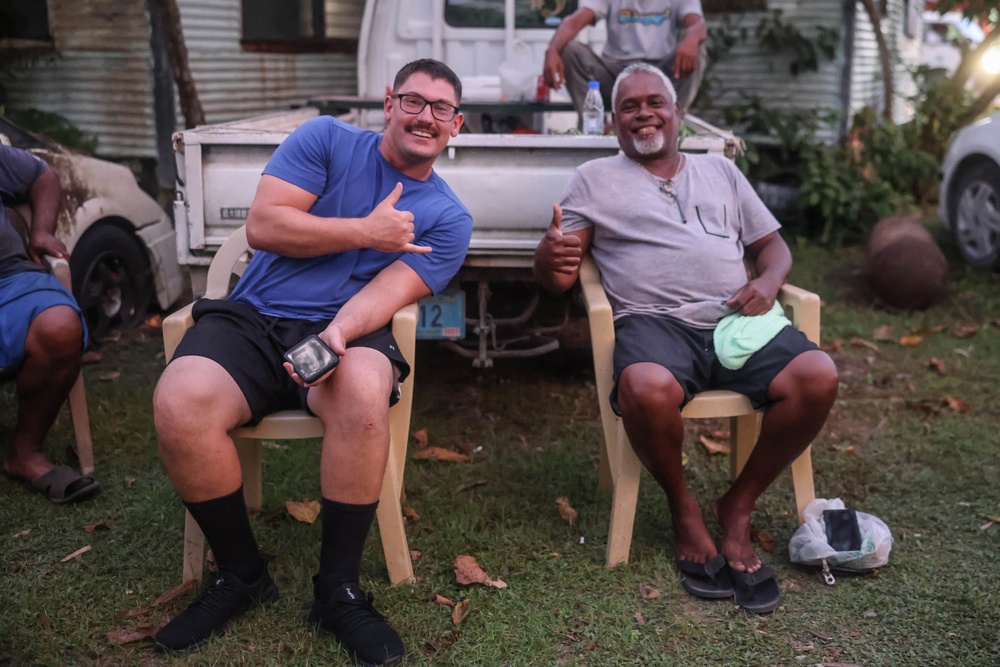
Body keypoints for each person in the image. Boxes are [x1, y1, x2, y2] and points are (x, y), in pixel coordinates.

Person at [152, 59, 472, 663]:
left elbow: (389, 294)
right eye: (413, 100)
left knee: (362, 387)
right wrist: (365, 232)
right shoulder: (325, 138)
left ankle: (338, 591)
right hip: (255, 316)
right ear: (387, 103)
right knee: (179, 400)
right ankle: (243, 575)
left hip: (347, 326)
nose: (425, 116)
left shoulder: (449, 219)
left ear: (456, 124)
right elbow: (265, 226)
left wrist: (334, 338)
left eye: (440, 109)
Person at [533, 63, 838, 614]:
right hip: (654, 322)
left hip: (735, 320)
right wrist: (548, 255)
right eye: (630, 106)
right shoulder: (593, 179)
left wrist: (769, 282)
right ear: (616, 122)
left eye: (655, 102)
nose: (644, 113)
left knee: (818, 376)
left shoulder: (719, 171)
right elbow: (558, 275)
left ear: (676, 115)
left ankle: (737, 506)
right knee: (646, 388)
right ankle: (683, 511)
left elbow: (773, 248)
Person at [1, 144, 99, 505]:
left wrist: (41, 231)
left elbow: (41, 175)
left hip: (10, 278)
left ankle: (24, 452)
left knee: (59, 327)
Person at [543, 0, 708, 119]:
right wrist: (552, 50)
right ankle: (592, 124)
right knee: (571, 51)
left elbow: (698, 25)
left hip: (660, 75)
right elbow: (572, 23)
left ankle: (674, 121)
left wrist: (691, 39)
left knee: (697, 50)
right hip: (616, 75)